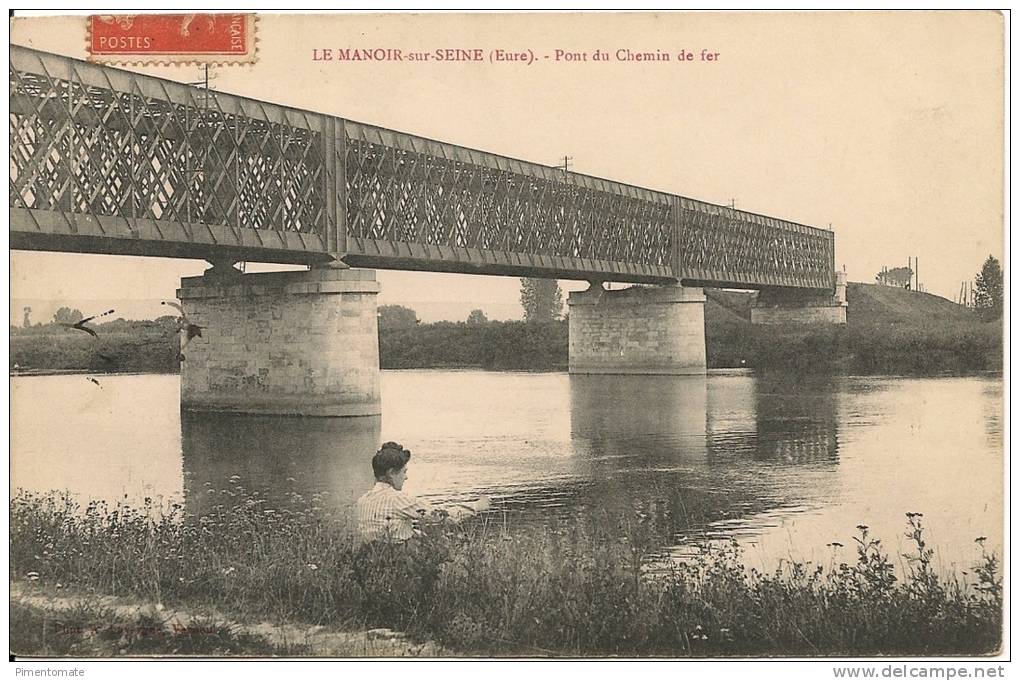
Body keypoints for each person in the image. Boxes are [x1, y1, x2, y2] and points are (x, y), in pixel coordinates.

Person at [354, 441, 491, 544]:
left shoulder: (362, 500)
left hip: (370, 563)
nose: (406, 477)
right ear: (391, 473)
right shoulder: (398, 499)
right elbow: (442, 516)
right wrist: (476, 507)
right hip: (397, 564)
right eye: (404, 472)